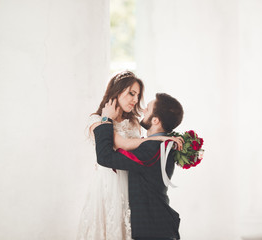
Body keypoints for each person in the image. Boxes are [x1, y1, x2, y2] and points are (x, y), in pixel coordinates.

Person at [76, 72, 182, 240]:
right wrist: (160, 137)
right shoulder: (97, 120)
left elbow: (138, 151)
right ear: (116, 92)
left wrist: (157, 139)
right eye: (131, 93)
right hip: (108, 185)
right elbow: (122, 145)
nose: (135, 99)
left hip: (130, 184)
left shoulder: (133, 123)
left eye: (138, 95)